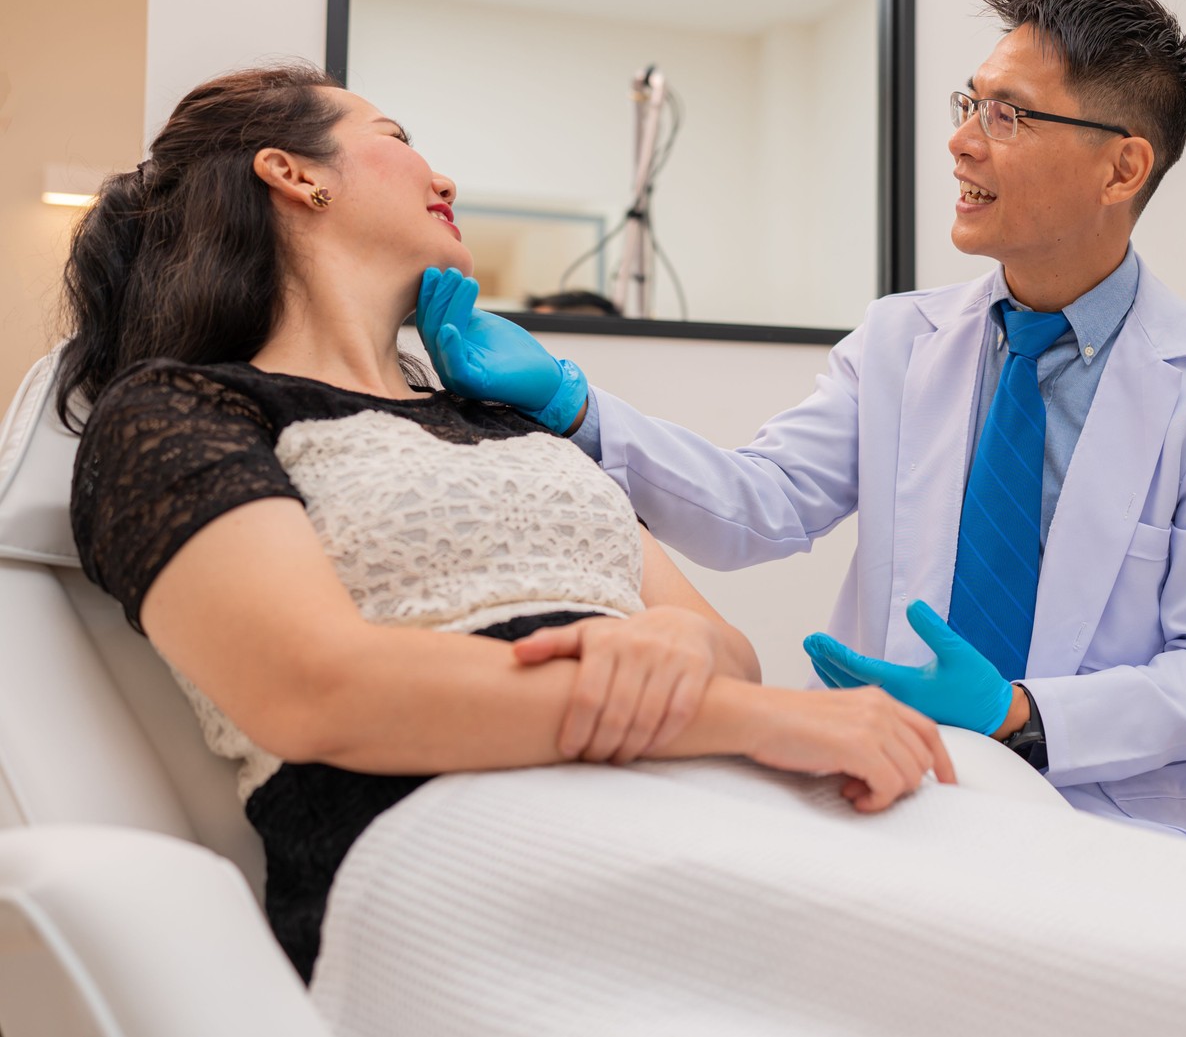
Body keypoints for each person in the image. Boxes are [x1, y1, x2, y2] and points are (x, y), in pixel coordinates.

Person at [60, 64, 954, 980]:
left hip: (700, 793)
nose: (443, 181)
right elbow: (317, 689)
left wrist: (682, 655)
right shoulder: (177, 410)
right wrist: (733, 715)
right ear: (294, 174)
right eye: (399, 137)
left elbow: (722, 642)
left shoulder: (511, 422)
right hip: (461, 847)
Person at [418, 0, 1186, 844]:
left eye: (1009, 113)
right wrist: (578, 408)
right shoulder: (898, 342)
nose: (961, 141)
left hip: (1105, 818)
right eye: (970, 101)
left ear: (1122, 167)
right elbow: (756, 506)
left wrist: (1021, 713)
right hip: (892, 783)